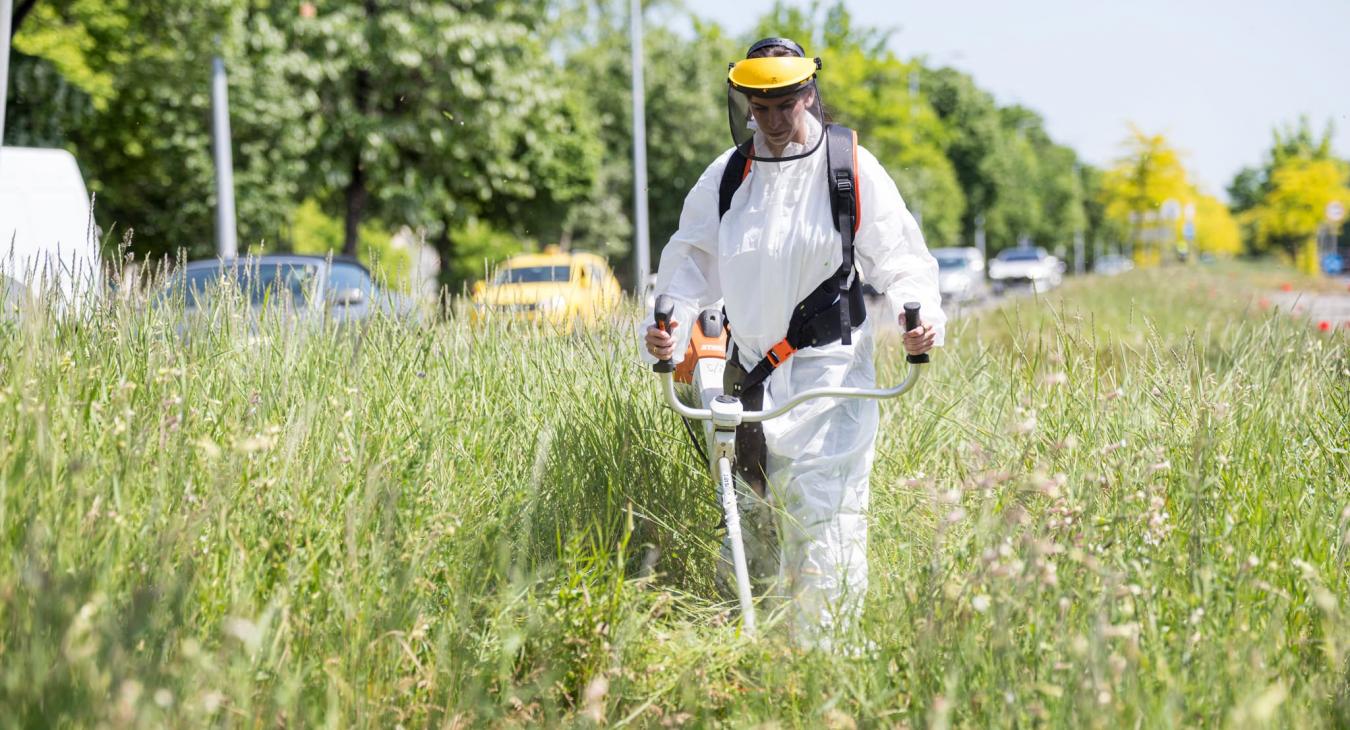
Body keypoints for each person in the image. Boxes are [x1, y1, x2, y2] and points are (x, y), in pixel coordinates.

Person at [640, 37, 944, 646]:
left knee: (825, 528)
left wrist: (921, 318)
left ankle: (826, 674)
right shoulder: (728, 177)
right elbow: (688, 264)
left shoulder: (847, 166)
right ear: (746, 105)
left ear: (809, 93)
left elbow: (904, 260)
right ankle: (757, 670)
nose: (775, 120)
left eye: (785, 104)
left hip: (830, 379)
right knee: (751, 531)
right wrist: (664, 327)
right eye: (761, 107)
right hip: (746, 380)